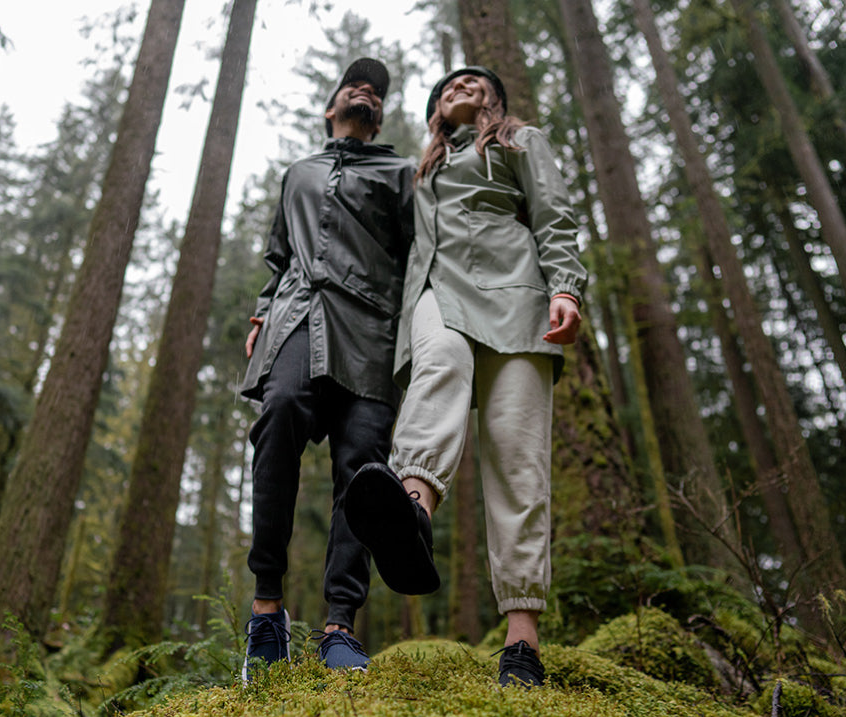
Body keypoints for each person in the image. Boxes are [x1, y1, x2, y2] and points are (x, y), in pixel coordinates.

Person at [344, 66, 587, 688]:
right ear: (433, 109)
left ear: (495, 101)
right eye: (451, 83)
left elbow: (554, 212)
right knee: (441, 364)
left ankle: (522, 642)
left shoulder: (519, 142)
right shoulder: (418, 171)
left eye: (477, 83)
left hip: (517, 295)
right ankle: (412, 510)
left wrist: (566, 287)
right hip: (437, 291)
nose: (463, 84)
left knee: (517, 454)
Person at [238, 58, 415, 680]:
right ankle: (266, 611)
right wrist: (261, 315)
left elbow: (421, 257)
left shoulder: (401, 174)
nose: (366, 89)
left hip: (370, 336)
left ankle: (340, 626)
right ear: (330, 108)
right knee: (279, 415)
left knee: (363, 468)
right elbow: (277, 258)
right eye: (354, 84)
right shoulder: (298, 174)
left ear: (381, 115)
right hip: (294, 321)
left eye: (377, 90)